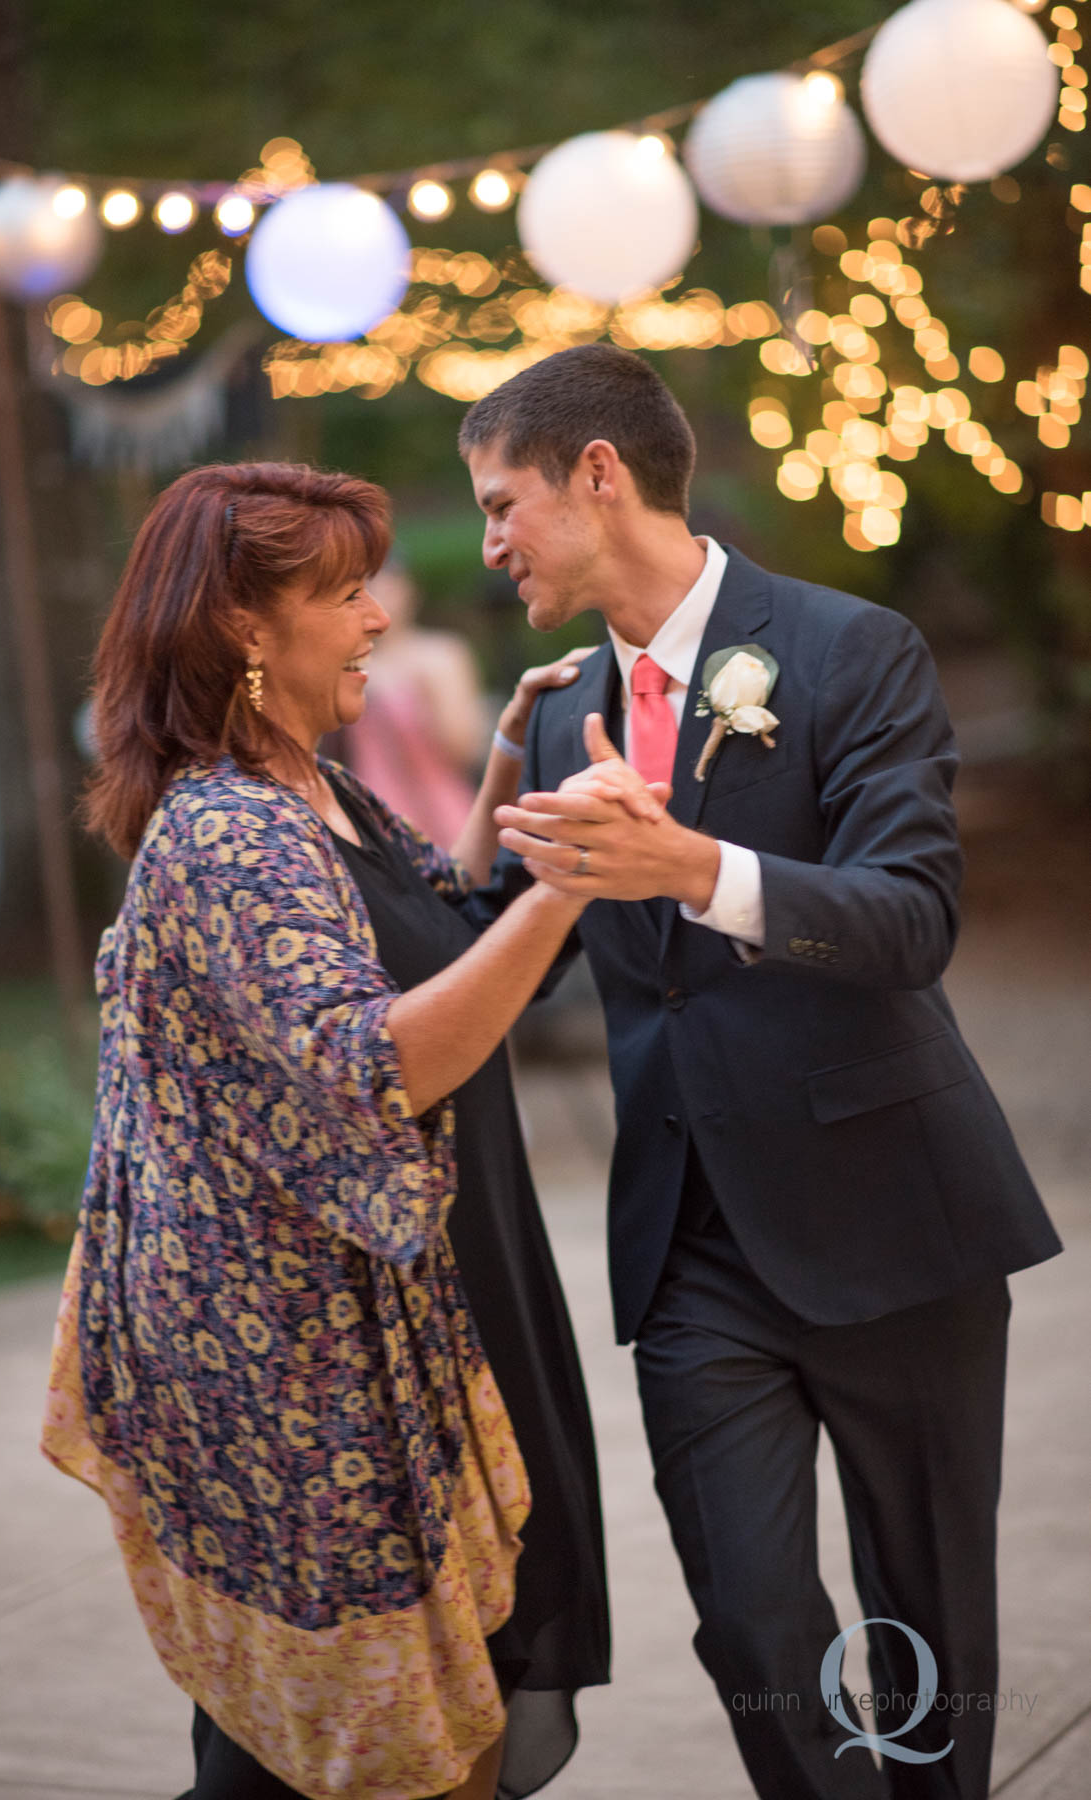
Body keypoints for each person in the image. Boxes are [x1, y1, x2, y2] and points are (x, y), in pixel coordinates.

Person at [457, 344, 1062, 1800]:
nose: (486, 546)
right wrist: (488, 802)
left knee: (929, 1622)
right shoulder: (547, 714)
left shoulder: (853, 651)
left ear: (596, 476)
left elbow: (910, 919)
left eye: (499, 503)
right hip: (688, 1248)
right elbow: (507, 965)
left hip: (890, 1218)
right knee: (750, 1624)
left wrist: (695, 866)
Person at [40, 461, 610, 1800]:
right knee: (350, 1762)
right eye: (346, 595)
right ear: (245, 623)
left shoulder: (319, 791)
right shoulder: (230, 835)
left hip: (416, 1317)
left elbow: (441, 932)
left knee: (366, 1752)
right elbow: (372, 1063)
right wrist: (574, 880)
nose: (374, 623)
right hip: (312, 1391)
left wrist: (513, 787)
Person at [335, 557, 485, 849]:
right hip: (377, 816)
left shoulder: (440, 654)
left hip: (442, 808)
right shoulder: (346, 665)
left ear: (408, 590)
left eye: (383, 587)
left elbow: (465, 747)